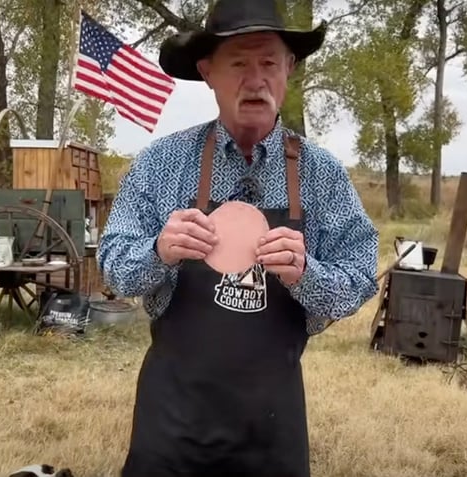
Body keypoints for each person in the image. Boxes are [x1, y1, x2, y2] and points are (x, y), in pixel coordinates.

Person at [97, 0, 380, 475]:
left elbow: (359, 279)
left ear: (288, 69)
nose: (256, 80)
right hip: (173, 426)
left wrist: (306, 273)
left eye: (269, 62)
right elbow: (113, 270)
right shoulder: (162, 163)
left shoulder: (321, 174)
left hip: (271, 432)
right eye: (239, 64)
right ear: (208, 72)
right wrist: (158, 252)